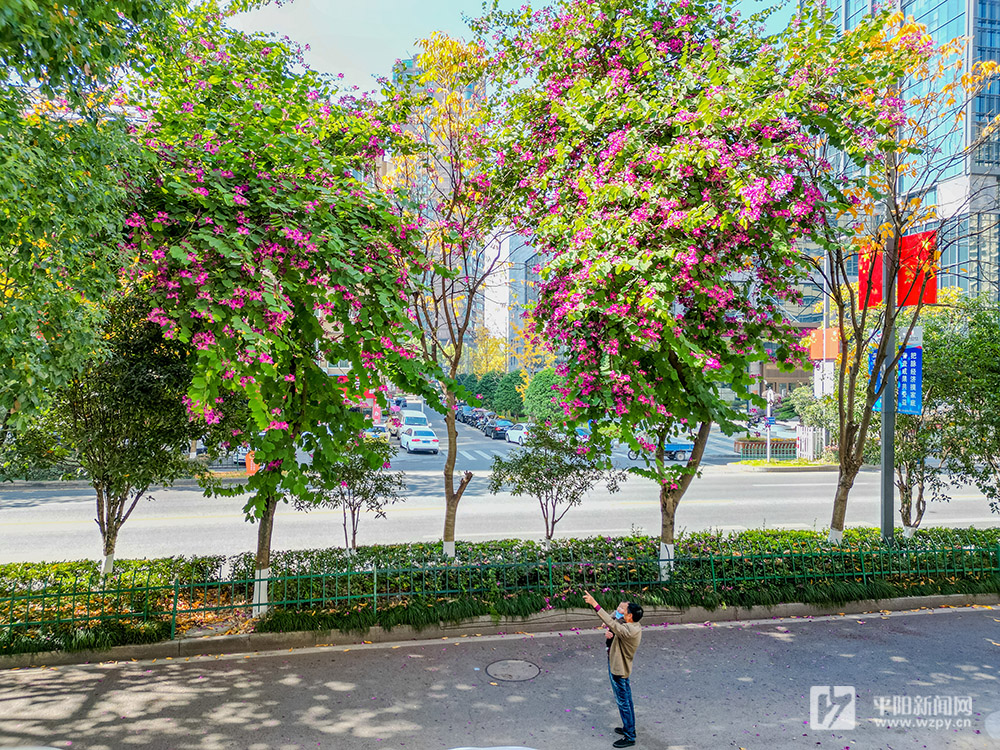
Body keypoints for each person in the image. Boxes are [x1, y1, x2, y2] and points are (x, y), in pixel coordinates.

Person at [583, 591, 643, 748]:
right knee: (627, 700)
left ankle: (630, 736)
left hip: (619, 669)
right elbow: (615, 621)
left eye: (625, 610)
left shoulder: (628, 630)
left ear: (630, 616)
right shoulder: (634, 625)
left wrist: (594, 603)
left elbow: (613, 623)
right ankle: (629, 728)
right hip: (622, 668)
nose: (621, 611)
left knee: (623, 702)